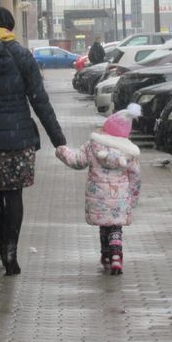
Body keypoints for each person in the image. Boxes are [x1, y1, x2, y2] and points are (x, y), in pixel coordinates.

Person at [0, 6, 67, 276]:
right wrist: (59, 140)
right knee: (13, 193)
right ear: (9, 27)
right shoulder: (21, 55)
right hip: (18, 138)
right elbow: (39, 99)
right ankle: (11, 249)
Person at [55, 104, 141, 275]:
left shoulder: (92, 145)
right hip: (120, 198)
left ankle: (106, 256)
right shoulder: (129, 152)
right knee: (116, 226)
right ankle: (117, 256)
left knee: (104, 225)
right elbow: (136, 176)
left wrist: (62, 150)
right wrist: (133, 196)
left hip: (99, 198)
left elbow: (77, 161)